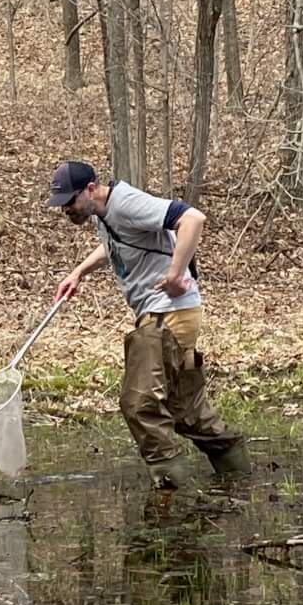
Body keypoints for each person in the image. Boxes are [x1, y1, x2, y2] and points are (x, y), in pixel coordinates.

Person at [49, 160, 249, 488]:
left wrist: (174, 274)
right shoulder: (104, 213)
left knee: (139, 402)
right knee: (185, 411)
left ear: (90, 189)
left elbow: (192, 218)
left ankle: (173, 494)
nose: (65, 210)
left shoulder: (125, 202)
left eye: (69, 202)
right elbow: (114, 244)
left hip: (166, 314)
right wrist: (78, 272)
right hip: (169, 313)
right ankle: (240, 480)